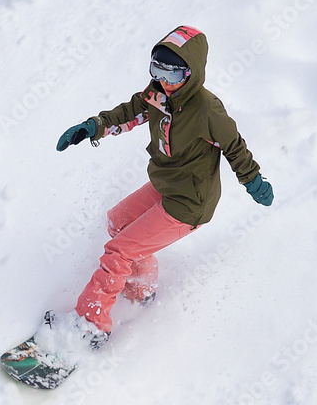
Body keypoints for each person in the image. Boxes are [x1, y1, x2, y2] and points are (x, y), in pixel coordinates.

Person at [49, 25, 273, 348]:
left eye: (173, 74)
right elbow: (129, 113)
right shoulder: (157, 94)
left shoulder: (208, 110)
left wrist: (253, 180)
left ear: (191, 74)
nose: (164, 81)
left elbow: (234, 146)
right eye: (157, 70)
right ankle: (141, 288)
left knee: (119, 251)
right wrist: (93, 127)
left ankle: (89, 326)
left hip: (190, 203)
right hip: (166, 184)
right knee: (117, 223)